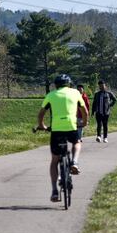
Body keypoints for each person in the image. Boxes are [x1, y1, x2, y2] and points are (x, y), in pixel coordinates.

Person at [37, 74, 88, 203]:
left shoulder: (51, 95)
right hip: (71, 126)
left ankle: (54, 191)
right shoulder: (76, 93)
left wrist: (42, 125)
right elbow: (84, 111)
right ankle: (75, 162)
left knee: (54, 160)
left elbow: (41, 113)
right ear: (69, 84)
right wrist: (84, 123)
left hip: (56, 129)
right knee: (77, 142)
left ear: (56, 85)